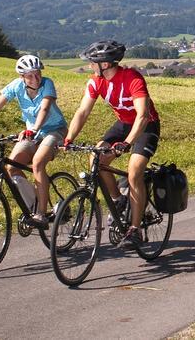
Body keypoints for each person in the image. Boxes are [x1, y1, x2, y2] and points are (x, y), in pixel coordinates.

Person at [64, 40, 160, 249]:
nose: (90, 66)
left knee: (134, 172)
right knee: (96, 159)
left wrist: (127, 143)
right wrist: (69, 138)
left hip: (146, 126)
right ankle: (119, 200)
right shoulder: (96, 82)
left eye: (92, 62)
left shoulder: (132, 78)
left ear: (105, 64)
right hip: (123, 124)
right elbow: (83, 112)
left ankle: (135, 229)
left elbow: (143, 115)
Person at [0, 54, 68, 229]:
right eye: (30, 75)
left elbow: (45, 108)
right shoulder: (16, 86)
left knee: (38, 163)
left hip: (54, 130)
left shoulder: (47, 84)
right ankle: (34, 206)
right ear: (22, 77)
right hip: (31, 132)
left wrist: (34, 129)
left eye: (38, 73)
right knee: (12, 168)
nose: (36, 78)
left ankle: (41, 214)